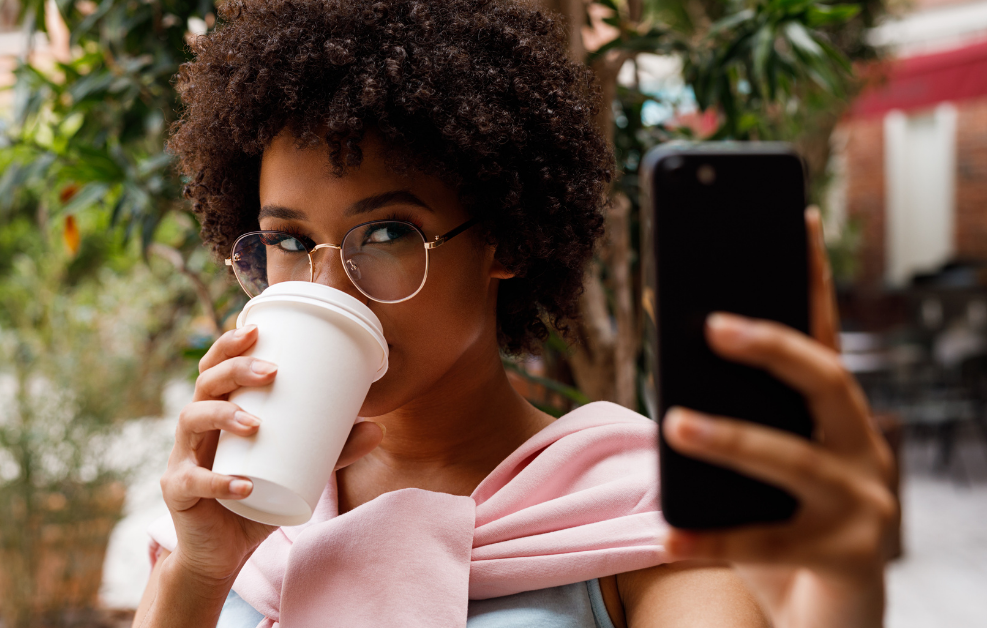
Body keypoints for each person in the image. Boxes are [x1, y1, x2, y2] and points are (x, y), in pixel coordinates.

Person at [134, 1, 897, 626]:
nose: (329, 287)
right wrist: (200, 571)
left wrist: (831, 611)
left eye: (389, 232)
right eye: (290, 240)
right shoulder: (239, 511)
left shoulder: (631, 503)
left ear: (504, 238)